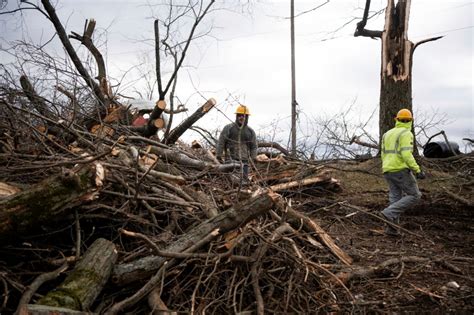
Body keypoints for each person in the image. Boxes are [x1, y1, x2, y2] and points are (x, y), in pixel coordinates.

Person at [380, 108, 425, 236]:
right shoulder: (406, 133)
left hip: (387, 169)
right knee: (415, 195)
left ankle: (392, 230)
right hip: (400, 169)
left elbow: (383, 153)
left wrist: (386, 166)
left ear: (396, 120)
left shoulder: (387, 134)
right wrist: (417, 170)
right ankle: (388, 213)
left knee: (395, 198)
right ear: (410, 121)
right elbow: (406, 154)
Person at [216, 104, 257, 183]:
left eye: (244, 116)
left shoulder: (250, 131)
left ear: (247, 117)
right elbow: (221, 142)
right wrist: (219, 155)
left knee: (244, 181)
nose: (241, 117)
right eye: (240, 115)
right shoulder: (229, 128)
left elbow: (254, 147)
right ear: (237, 116)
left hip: (244, 162)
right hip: (230, 160)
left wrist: (253, 159)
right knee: (230, 181)